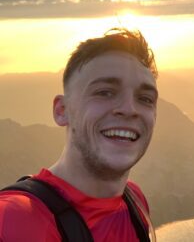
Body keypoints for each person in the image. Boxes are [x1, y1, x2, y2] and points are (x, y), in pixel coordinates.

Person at [0, 28, 159, 241]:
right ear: (62, 111)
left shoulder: (134, 200)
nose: (130, 109)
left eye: (146, 98)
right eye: (105, 92)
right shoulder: (18, 218)